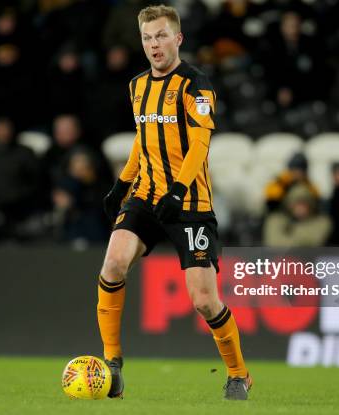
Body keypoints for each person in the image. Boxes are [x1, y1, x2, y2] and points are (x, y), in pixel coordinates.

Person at [97, 5, 251, 400]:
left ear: (178, 38)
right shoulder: (136, 86)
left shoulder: (196, 85)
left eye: (161, 36)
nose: (154, 45)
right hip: (146, 196)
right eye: (148, 38)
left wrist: (179, 190)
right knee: (113, 263)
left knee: (203, 301)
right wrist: (123, 183)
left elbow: (201, 143)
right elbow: (142, 139)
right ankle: (112, 362)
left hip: (189, 203)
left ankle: (238, 374)